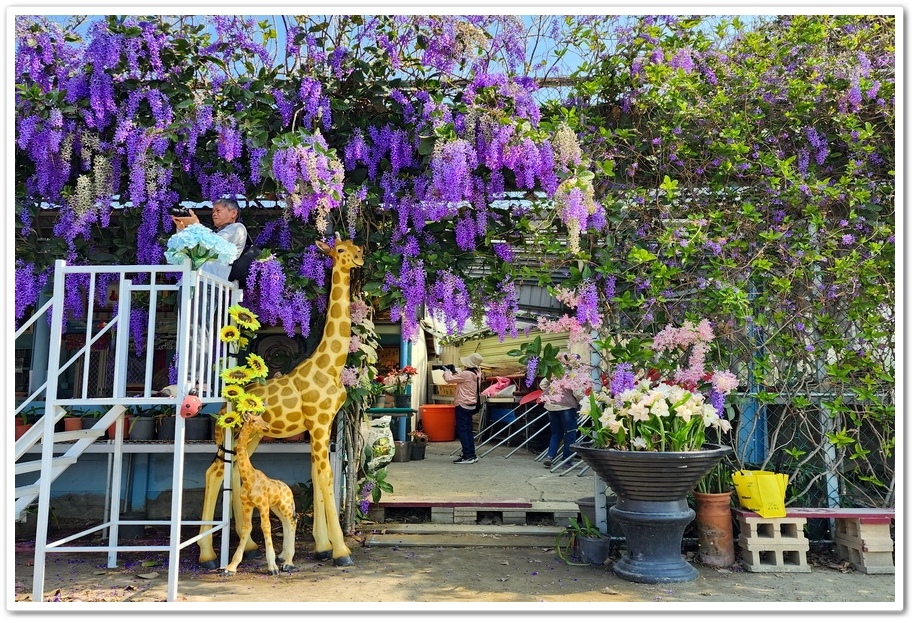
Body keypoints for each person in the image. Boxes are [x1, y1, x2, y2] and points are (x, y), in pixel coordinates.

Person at [170, 198, 249, 391]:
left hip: (206, 284)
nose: (214, 213)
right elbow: (186, 253)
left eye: (219, 210)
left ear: (233, 213)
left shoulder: (237, 228)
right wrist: (183, 229)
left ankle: (195, 379)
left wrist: (196, 226)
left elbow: (214, 243)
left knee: (197, 330)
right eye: (213, 210)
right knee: (188, 331)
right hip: (192, 282)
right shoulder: (211, 233)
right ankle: (189, 378)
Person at [538, 353, 586, 467]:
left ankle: (549, 456)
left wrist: (552, 392)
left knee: (556, 433)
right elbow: (577, 392)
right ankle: (567, 461)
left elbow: (543, 384)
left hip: (551, 405)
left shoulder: (555, 371)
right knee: (570, 434)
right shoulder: (573, 374)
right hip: (567, 407)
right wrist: (583, 401)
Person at [442, 352, 484, 465]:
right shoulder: (477, 373)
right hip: (471, 404)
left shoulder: (466, 374)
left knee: (462, 430)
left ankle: (468, 456)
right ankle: (471, 454)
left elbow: (449, 379)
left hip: (462, 404)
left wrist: (446, 371)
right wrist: (454, 372)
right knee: (468, 430)